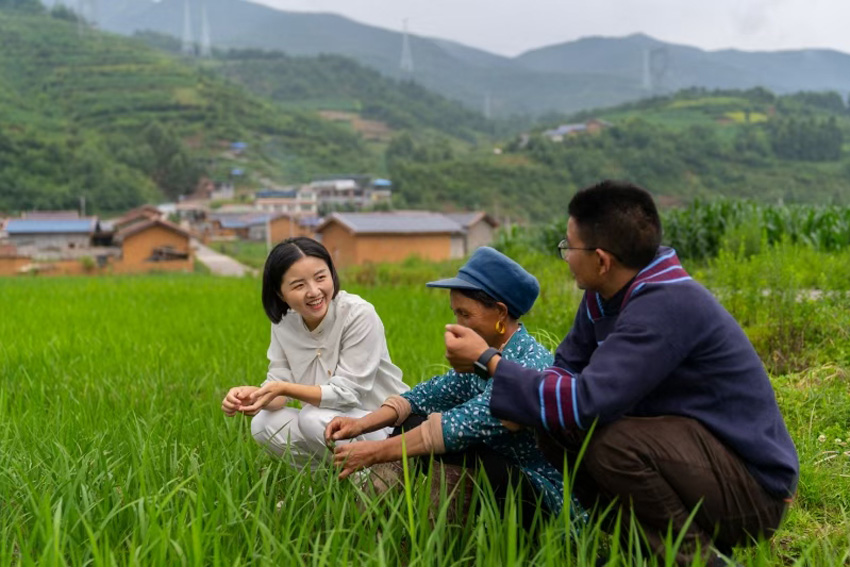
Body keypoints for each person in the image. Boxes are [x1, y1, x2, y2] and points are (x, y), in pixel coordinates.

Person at [443, 181, 799, 566]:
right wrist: (520, 394)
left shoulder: (667, 303)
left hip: (753, 492)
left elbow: (587, 402)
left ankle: (699, 560)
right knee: (556, 427)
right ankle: (640, 552)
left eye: (569, 247)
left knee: (610, 441)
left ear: (601, 260)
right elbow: (565, 370)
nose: (566, 257)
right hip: (691, 460)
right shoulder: (605, 295)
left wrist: (488, 360)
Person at [325, 247, 579, 523]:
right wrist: (360, 425)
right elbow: (423, 397)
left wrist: (372, 452)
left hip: (541, 495)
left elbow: (457, 427)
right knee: (411, 421)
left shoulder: (529, 364)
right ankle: (372, 521)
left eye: (465, 314)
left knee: (458, 449)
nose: (456, 324)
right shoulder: (484, 357)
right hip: (501, 474)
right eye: (455, 313)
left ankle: (436, 534)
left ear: (500, 313)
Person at [221, 237, 409, 468]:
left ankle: (375, 480)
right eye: (299, 285)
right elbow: (280, 386)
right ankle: (326, 481)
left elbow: (347, 394)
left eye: (321, 277)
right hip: (328, 421)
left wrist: (284, 388)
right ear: (280, 293)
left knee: (312, 418)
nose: (314, 291)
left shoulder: (358, 314)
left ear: (332, 274)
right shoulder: (284, 323)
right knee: (263, 423)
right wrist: (254, 397)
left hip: (385, 426)